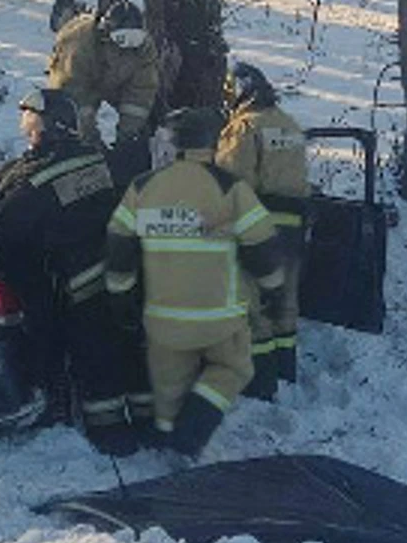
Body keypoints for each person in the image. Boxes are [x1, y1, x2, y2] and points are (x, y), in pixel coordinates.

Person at [105, 106, 286, 460]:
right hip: (220, 318)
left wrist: (120, 297)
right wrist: (274, 290)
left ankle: (169, 449)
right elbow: (263, 248)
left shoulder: (141, 188)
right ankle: (192, 433)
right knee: (233, 368)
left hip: (163, 319)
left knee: (169, 388)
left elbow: (118, 247)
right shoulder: (230, 188)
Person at [0, 88, 138, 456]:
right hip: (115, 272)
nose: (26, 127)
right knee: (112, 356)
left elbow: (10, 232)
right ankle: (125, 429)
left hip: (77, 283)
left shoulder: (36, 183)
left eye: (30, 119)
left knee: (92, 360)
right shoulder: (93, 161)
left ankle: (107, 439)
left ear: (45, 125)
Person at [215, 62, 309, 400]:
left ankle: (260, 386)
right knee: (284, 305)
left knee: (255, 309)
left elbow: (232, 184)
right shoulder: (289, 124)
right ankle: (286, 373)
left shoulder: (243, 128)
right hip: (293, 230)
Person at [46, 0, 158, 155]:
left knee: (147, 121)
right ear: (105, 33)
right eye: (122, 39)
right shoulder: (79, 44)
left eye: (136, 39)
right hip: (74, 76)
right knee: (69, 126)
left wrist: (127, 137)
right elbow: (74, 94)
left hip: (116, 79)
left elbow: (141, 92)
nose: (128, 47)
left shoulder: (144, 48)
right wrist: (92, 141)